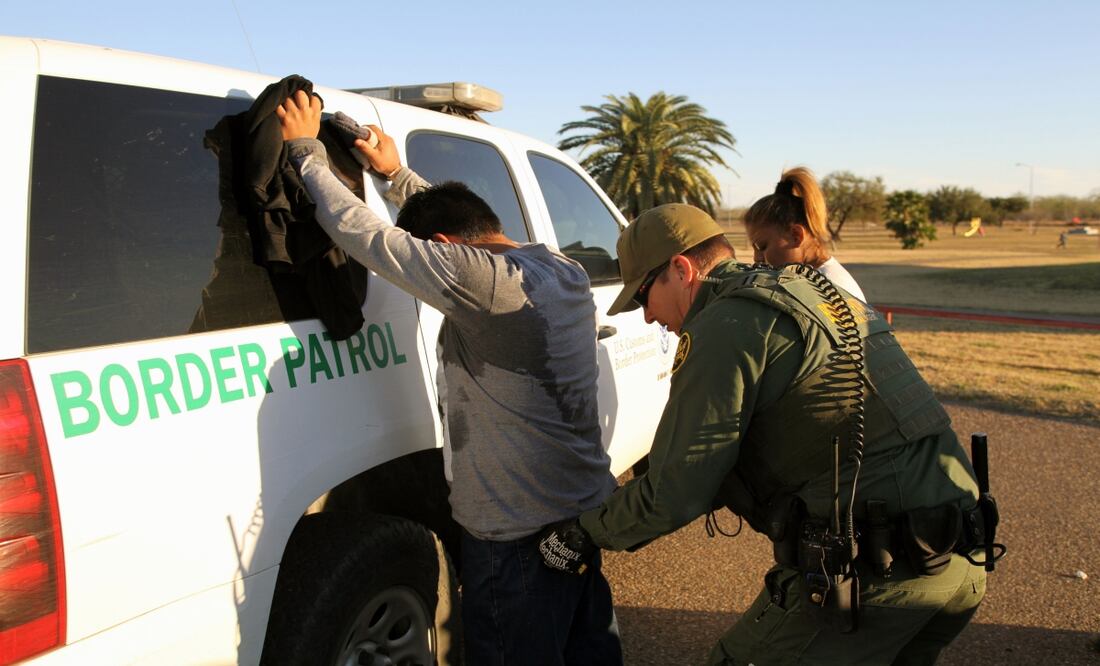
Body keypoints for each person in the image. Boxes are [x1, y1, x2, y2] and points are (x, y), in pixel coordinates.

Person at [539, 203, 993, 664]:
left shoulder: (725, 324)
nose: (650, 318)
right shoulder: (808, 289)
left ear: (680, 270)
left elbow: (676, 492)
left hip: (879, 577)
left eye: (642, 297)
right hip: (957, 560)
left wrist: (581, 533)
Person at [277, 90, 622, 665]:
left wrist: (306, 153)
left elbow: (365, 235)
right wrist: (396, 175)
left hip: (515, 541)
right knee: (589, 651)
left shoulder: (485, 284)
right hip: (579, 521)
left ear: (442, 251)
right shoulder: (558, 267)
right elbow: (457, 227)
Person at [743, 167, 867, 302]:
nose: (756, 258)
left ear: (796, 235)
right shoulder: (804, 280)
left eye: (762, 246)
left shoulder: (830, 289)